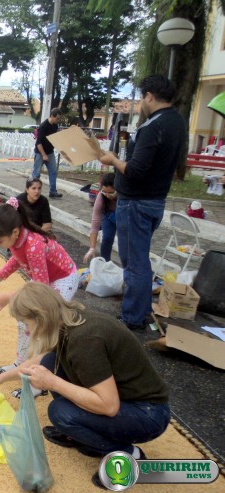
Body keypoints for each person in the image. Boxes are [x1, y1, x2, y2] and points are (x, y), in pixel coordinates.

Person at [0, 282, 170, 488]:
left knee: (61, 413)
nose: (27, 331)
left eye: (26, 323)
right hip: (128, 400)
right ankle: (82, 435)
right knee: (50, 362)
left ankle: (130, 456)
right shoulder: (67, 319)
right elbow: (40, 361)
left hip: (148, 414)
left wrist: (52, 383)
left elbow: (109, 406)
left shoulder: (85, 341)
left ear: (40, 318)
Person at [99, 75, 186, 332]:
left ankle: (132, 318)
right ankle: (143, 310)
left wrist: (114, 160)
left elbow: (135, 170)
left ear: (149, 95)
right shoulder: (177, 122)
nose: (140, 105)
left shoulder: (153, 126)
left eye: (141, 98)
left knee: (134, 263)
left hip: (136, 204)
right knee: (140, 260)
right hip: (154, 200)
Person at [0, 198, 78, 398]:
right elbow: (17, 258)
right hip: (46, 282)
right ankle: (20, 363)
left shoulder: (33, 245)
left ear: (14, 232)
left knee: (44, 328)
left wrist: (9, 296)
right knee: (24, 319)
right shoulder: (18, 239)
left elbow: (39, 290)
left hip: (63, 280)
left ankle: (39, 381)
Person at [83, 173, 117, 263]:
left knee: (125, 243)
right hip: (108, 214)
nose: (107, 195)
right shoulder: (100, 197)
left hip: (123, 216)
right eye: (104, 192)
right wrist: (92, 248)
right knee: (107, 239)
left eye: (111, 192)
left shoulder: (125, 196)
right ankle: (104, 263)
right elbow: (95, 222)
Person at [33, 107, 63, 199]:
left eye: (59, 119)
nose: (58, 120)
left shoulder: (55, 126)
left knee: (53, 171)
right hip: (40, 153)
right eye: (57, 118)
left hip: (50, 152)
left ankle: (53, 191)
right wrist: (44, 155)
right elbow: (38, 143)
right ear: (52, 116)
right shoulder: (43, 126)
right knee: (36, 173)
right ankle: (33, 191)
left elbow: (53, 138)